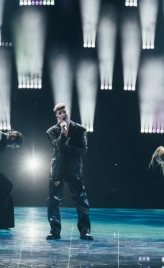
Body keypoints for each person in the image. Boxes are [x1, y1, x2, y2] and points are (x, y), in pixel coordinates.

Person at [45, 103, 92, 240]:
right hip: (58, 169)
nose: (62, 115)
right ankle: (55, 231)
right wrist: (62, 132)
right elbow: (58, 146)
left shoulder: (80, 129)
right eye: (59, 113)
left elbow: (83, 149)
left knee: (81, 200)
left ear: (68, 113)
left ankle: (85, 231)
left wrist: (66, 148)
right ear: (57, 116)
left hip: (74, 169)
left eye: (64, 112)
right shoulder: (51, 131)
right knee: (53, 200)